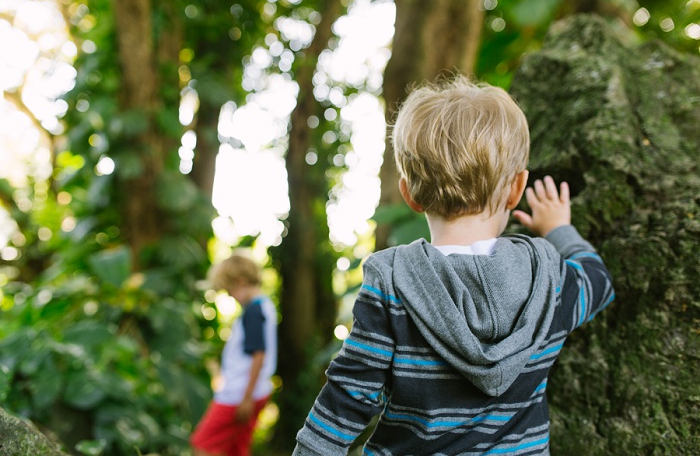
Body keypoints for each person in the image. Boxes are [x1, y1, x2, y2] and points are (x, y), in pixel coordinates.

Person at [292, 75, 615, 455]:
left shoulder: (392, 283)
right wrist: (559, 230)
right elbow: (599, 282)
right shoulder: (549, 275)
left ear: (409, 193)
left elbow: (349, 396)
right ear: (517, 188)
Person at [191, 253, 277, 456]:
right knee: (236, 449)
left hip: (238, 395)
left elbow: (259, 354)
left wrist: (246, 397)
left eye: (229, 290)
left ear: (240, 281)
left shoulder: (253, 311)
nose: (229, 295)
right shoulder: (265, 305)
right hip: (256, 391)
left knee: (202, 443)